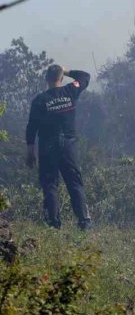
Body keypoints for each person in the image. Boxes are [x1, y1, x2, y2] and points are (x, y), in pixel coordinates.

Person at [25, 65, 92, 230]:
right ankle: (84, 222)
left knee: (50, 184)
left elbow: (31, 128)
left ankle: (53, 224)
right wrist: (66, 71)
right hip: (68, 146)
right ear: (61, 79)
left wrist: (30, 152)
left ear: (46, 79)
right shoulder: (70, 91)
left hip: (48, 147)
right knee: (75, 182)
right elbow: (84, 76)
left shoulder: (40, 100)